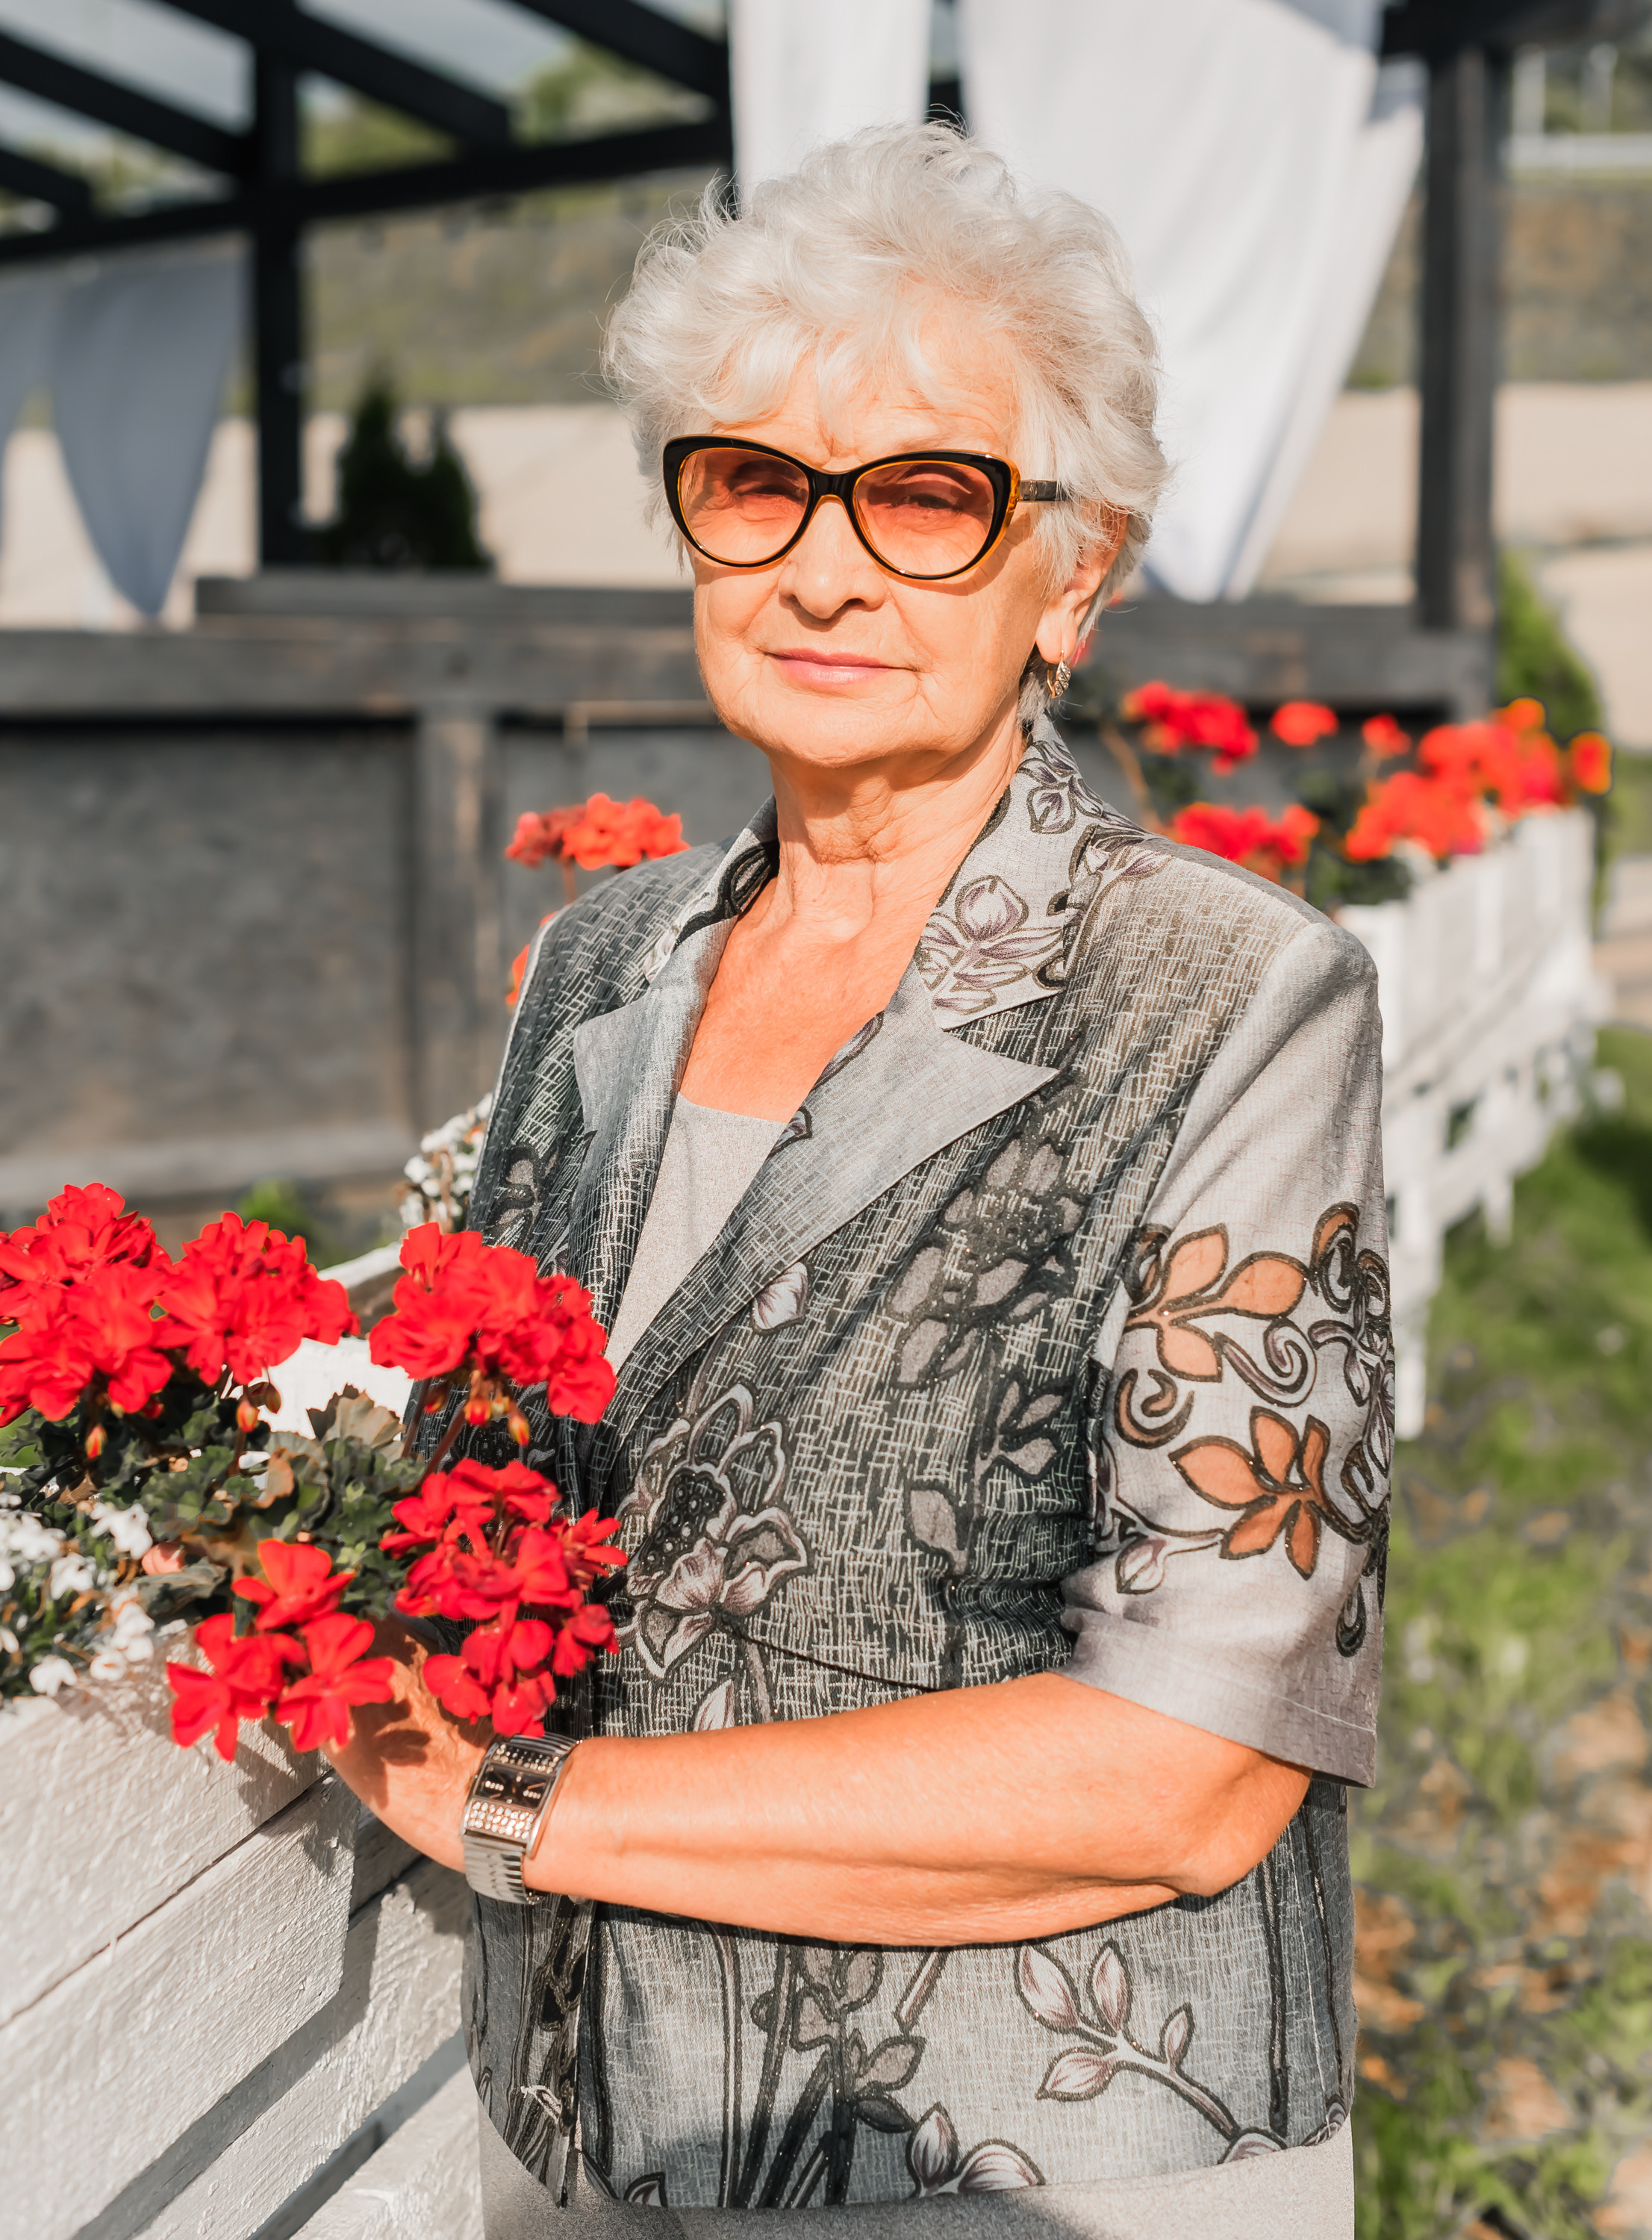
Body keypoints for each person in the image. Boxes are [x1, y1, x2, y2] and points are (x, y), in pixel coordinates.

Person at [328, 124, 1390, 2240]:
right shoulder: (603, 966)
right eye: (756, 482)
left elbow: (1190, 1773)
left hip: (1018, 2163)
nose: (823, 568)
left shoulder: (1226, 996)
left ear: (1068, 573)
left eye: (926, 496)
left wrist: (517, 1804)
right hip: (583, 2129)